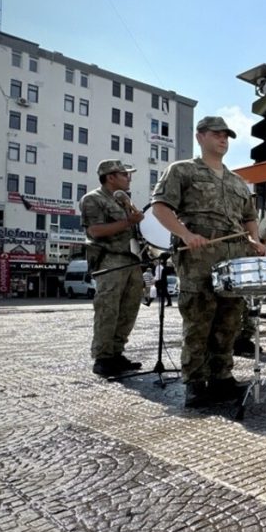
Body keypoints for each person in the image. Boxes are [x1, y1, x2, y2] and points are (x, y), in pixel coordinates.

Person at [151, 116, 266, 407]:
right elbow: (160, 207)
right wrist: (185, 234)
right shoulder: (182, 170)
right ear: (200, 136)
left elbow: (249, 217)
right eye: (217, 134)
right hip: (198, 256)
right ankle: (195, 382)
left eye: (226, 135)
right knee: (199, 319)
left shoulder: (237, 181)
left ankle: (221, 377)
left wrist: (253, 239)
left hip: (234, 255)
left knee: (229, 319)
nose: (223, 139)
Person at [80, 159, 146, 377]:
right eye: (124, 174)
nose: (129, 178)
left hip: (131, 259)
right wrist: (129, 221)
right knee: (108, 309)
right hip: (110, 260)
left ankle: (116, 353)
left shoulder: (124, 201)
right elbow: (96, 231)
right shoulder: (93, 199)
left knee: (128, 310)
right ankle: (103, 357)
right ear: (110, 177)